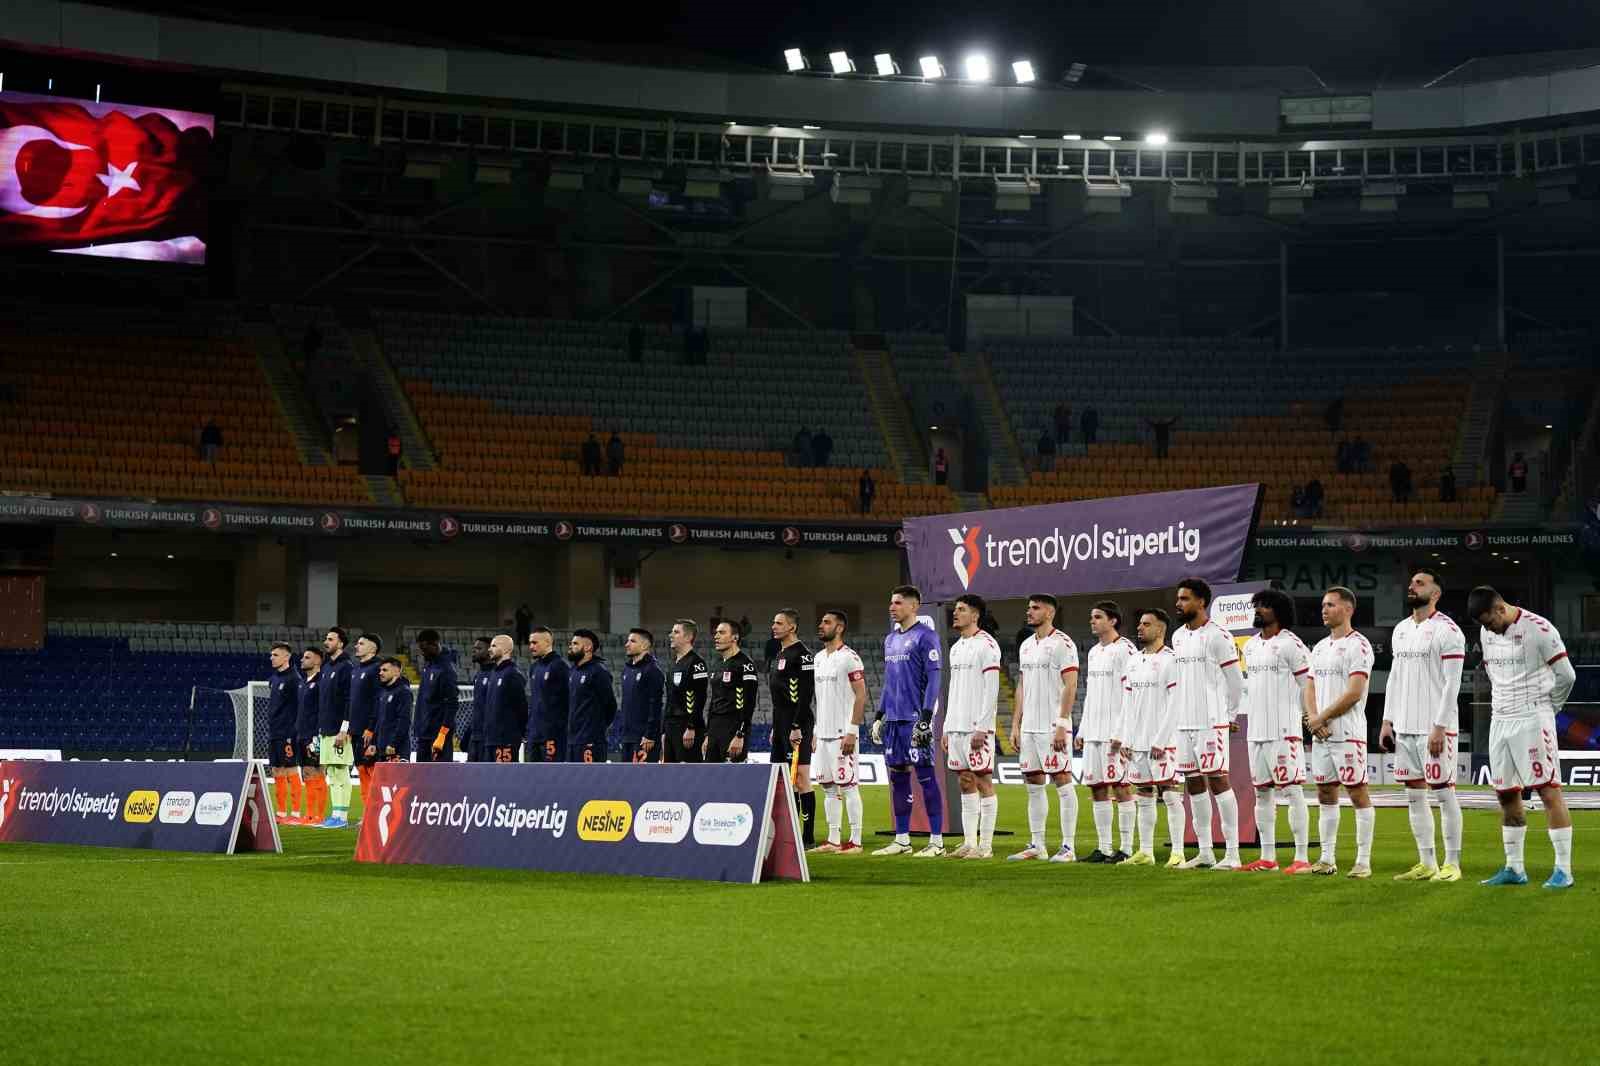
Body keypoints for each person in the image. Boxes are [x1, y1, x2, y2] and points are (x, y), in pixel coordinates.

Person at [1469, 585, 1578, 888]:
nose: (1489, 628)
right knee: (1506, 794)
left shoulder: (1540, 629)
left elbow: (1567, 675)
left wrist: (1549, 708)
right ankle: (1514, 868)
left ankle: (1564, 870)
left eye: (1490, 621)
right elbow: (1493, 673)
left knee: (1548, 791)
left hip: (1532, 717)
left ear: (1500, 607)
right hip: (1500, 718)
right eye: (1483, 625)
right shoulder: (1486, 632)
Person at [1380, 568, 1466, 883]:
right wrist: (1387, 721)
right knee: (1414, 796)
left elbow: (1452, 683)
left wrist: (1440, 726)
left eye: (1420, 583)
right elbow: (1395, 677)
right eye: (1412, 582)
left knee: (1444, 793)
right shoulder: (1401, 629)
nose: (1412, 586)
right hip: (1404, 727)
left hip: (1435, 728)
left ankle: (1452, 864)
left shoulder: (1449, 631)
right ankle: (1427, 862)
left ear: (1436, 593)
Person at [1238, 589, 1315, 874]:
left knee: (1292, 791)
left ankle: (1302, 857)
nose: (1258, 610)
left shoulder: (1292, 645)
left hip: (1284, 730)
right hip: (1256, 731)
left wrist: (1310, 718)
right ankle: (1268, 858)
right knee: (1262, 794)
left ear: (1279, 611)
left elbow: (1308, 686)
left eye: (1265, 605)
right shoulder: (1250, 646)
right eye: (1257, 605)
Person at [1171, 578, 1246, 870]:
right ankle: (1205, 852)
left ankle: (1233, 854)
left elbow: (1236, 681)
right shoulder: (1178, 636)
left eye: (1185, 598)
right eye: (1178, 598)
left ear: (1201, 601)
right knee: (1193, 784)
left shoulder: (1219, 636)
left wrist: (1229, 716)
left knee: (1218, 781)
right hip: (1184, 723)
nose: (1179, 603)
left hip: (1210, 722)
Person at [1307, 587, 1377, 878]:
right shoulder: (1320, 647)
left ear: (1348, 609)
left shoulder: (1359, 646)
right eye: (1323, 605)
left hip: (1348, 733)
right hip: (1321, 734)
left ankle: (1363, 861)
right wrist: (1313, 718)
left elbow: (1354, 693)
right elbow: (1310, 686)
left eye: (1331, 605)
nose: (1324, 609)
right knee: (1325, 792)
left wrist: (1320, 717)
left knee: (1357, 793)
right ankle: (1326, 858)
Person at [871, 585, 945, 857]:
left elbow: (934, 679)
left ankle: (936, 842)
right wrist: (879, 716)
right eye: (891, 603)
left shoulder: (926, 636)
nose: (892, 607)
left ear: (914, 606)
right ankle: (902, 840)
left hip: (915, 720)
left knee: (925, 777)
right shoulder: (890, 639)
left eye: (898, 603)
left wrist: (925, 718)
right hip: (893, 720)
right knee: (898, 777)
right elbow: (889, 682)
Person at [1007, 594, 1081, 863]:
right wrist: (1016, 724)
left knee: (1062, 780)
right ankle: (1037, 845)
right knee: (1033, 783)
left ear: (1050, 613)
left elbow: (1071, 684)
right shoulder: (1026, 645)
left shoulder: (1063, 644)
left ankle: (1068, 847)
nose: (1029, 612)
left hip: (1053, 726)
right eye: (1029, 608)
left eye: (1035, 608)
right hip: (1029, 727)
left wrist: (1062, 723)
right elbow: (1021, 685)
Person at [1118, 608, 1184, 866]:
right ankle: (1146, 851)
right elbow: (1128, 703)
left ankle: (1177, 852)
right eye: (1140, 623)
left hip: (1163, 742)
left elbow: (1175, 703)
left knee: (1170, 793)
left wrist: (1162, 739)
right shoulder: (1133, 661)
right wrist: (1126, 738)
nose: (1140, 628)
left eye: (1146, 624)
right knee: (1144, 794)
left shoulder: (1171, 660)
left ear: (1161, 629)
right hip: (1137, 741)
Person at [1076, 601, 1138, 863]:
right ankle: (1104, 848)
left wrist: (1123, 732)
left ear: (1113, 621)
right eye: (1092, 617)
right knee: (1097, 789)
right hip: (1094, 731)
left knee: (1121, 788)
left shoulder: (1126, 649)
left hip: (1115, 732)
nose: (1093, 621)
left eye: (1098, 617)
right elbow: (1091, 694)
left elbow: (1131, 693)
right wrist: (1082, 729)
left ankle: (1126, 849)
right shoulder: (1093, 652)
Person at [943, 594, 1002, 859]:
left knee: (983, 781)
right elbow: (953, 690)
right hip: (956, 726)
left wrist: (983, 727)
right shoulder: (956, 647)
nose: (955, 613)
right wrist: (946, 727)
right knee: (965, 781)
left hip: (977, 727)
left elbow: (992, 689)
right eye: (955, 609)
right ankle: (969, 842)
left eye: (962, 609)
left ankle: (985, 846)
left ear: (975, 615)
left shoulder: (987, 645)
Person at [810, 610, 868, 854]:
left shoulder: (850, 658)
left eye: (827, 622)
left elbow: (861, 695)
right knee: (828, 788)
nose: (821, 626)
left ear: (840, 627)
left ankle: (855, 841)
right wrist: (815, 731)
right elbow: (820, 699)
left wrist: (852, 731)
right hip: (823, 734)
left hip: (842, 733)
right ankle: (833, 839)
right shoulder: (818, 658)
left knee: (849, 786)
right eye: (821, 622)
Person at [767, 609, 816, 847]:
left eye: (779, 623)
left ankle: (807, 837)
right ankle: (790, 833)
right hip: (780, 723)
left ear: (792, 627)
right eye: (773, 622)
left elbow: (806, 694)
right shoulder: (779, 654)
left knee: (801, 778)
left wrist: (796, 725)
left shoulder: (803, 655)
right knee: (784, 780)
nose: (773, 626)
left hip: (798, 723)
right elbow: (779, 696)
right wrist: (776, 726)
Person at [314, 627, 356, 828]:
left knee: (340, 771)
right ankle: (335, 814)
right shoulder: (326, 667)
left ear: (340, 643)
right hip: (326, 728)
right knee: (331, 772)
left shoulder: (346, 666)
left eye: (330, 639)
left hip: (339, 729)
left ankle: (342, 817)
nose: (326, 642)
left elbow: (350, 700)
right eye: (326, 638)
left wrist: (344, 728)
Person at [704, 620, 759, 763]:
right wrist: (708, 734)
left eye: (722, 632)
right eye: (716, 633)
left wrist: (740, 734)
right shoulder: (717, 664)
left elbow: (749, 703)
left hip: (733, 728)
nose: (716, 636)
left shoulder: (746, 664)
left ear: (735, 637)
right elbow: (714, 701)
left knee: (732, 775)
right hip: (715, 729)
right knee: (710, 773)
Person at [346, 634, 384, 814]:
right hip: (356, 731)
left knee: (373, 772)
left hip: (369, 731)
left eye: (361, 643)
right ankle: (368, 814)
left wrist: (371, 728)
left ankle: (379, 813)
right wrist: (348, 728)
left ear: (373, 648)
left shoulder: (378, 668)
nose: (356, 646)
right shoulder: (356, 670)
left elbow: (378, 701)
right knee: (361, 770)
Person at [661, 619, 709, 763]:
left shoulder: (697, 663)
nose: (671, 635)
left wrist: (691, 726)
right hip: (670, 727)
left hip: (687, 727)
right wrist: (664, 730)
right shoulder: (672, 664)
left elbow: (700, 697)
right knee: (670, 772)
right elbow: (670, 699)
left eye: (676, 632)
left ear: (688, 637)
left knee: (687, 773)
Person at [567, 629, 617, 763]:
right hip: (572, 740)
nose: (570, 646)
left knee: (589, 777)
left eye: (575, 643)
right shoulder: (572, 671)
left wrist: (595, 729)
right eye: (571, 643)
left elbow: (610, 706)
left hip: (591, 740)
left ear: (588, 647)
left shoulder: (599, 671)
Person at [266, 642, 302, 824]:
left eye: (275, 655)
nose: (271, 658)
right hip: (274, 732)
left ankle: (295, 813)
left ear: (286, 656)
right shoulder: (273, 679)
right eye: (271, 655)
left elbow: (299, 708)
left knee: (291, 769)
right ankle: (280, 813)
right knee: (276, 770)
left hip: (288, 732)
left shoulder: (295, 679)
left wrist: (294, 731)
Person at [619, 628, 665, 763]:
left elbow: (655, 705)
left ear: (645, 645)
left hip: (644, 739)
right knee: (625, 775)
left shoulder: (653, 670)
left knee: (643, 776)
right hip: (627, 737)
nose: (627, 644)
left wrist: (649, 735)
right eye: (628, 641)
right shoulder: (626, 670)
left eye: (632, 641)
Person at [412, 629, 458, 762]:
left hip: (438, 734)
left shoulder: (446, 669)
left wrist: (442, 734)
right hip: (424, 732)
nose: (422, 652)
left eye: (424, 648)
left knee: (439, 773)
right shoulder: (429, 665)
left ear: (435, 644)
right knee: (421, 773)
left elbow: (452, 703)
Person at [481, 635, 528, 762]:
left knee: (504, 774)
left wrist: (521, 732)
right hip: (491, 739)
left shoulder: (513, 674)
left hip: (505, 739)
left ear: (506, 649)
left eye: (494, 646)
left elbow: (521, 707)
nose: (489, 649)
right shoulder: (494, 673)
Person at [527, 626, 570, 763]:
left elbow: (569, 700)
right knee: (532, 773)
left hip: (554, 735)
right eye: (530, 643)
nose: (531, 647)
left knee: (553, 774)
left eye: (535, 643)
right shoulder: (534, 668)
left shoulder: (560, 666)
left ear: (547, 642)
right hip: (534, 734)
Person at [295, 647, 326, 826]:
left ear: (317, 661)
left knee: (317, 772)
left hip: (314, 734)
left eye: (307, 657)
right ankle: (309, 814)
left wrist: (318, 734)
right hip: (301, 734)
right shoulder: (302, 683)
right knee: (306, 774)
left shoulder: (322, 681)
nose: (302, 660)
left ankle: (319, 815)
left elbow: (324, 709)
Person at [374, 658, 413, 763]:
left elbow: (404, 721)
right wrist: (374, 743)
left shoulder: (404, 692)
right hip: (382, 748)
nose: (380, 673)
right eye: (380, 670)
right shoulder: (383, 692)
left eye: (385, 670)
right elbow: (380, 720)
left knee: (399, 775)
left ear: (396, 671)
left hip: (397, 749)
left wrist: (393, 744)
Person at [463, 636, 493, 762]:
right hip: (475, 735)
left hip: (489, 736)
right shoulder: (478, 675)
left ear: (489, 651)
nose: (474, 651)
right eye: (474, 648)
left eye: (479, 648)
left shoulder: (496, 675)